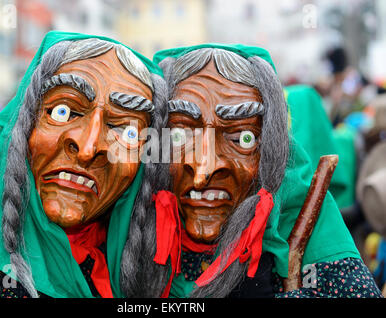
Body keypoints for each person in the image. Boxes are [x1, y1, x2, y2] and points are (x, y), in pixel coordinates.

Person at [0, 32, 169, 298]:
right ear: (23, 124)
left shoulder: (145, 270)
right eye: (63, 111)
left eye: (126, 131)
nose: (88, 148)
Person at [141, 43, 383, 298]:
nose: (204, 171)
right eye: (179, 135)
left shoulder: (303, 232)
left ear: (272, 149)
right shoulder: (127, 236)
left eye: (243, 138)